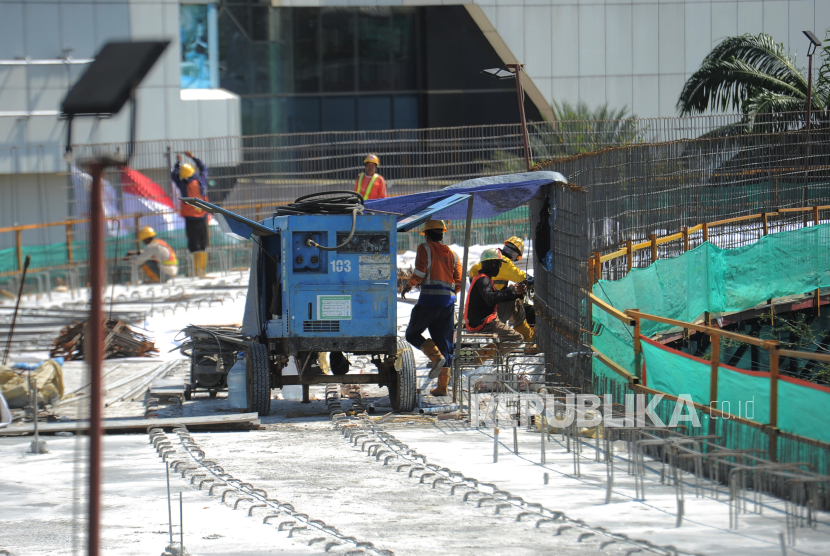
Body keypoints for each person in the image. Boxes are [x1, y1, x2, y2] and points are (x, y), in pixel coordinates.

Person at [401, 219, 462, 396]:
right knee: (445, 343)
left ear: (426, 235)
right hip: (447, 304)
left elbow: (420, 271)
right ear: (442, 234)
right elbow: (458, 280)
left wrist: (409, 285)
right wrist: (449, 295)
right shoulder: (453, 254)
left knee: (412, 333)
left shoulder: (424, 248)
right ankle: (442, 388)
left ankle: (436, 358)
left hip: (429, 301)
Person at [468, 236, 535, 342]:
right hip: (491, 310)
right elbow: (521, 277)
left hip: (480, 307)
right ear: (516, 255)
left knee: (515, 298)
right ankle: (527, 339)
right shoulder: (504, 263)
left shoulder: (482, 265)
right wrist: (531, 281)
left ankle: (520, 335)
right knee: (521, 305)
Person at [464, 248, 527, 361]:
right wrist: (510, 290)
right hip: (484, 322)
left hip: (484, 319)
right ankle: (484, 356)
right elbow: (491, 299)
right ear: (491, 264)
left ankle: (494, 357)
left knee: (510, 336)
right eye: (497, 264)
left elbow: (496, 295)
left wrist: (514, 292)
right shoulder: (483, 280)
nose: (498, 267)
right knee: (517, 338)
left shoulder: (484, 278)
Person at [171, 150, 209, 278]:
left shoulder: (183, 186)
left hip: (190, 219)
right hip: (202, 217)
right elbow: (204, 169)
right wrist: (193, 157)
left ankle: (195, 270)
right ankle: (202, 271)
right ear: (192, 173)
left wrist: (178, 162)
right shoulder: (200, 183)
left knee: (194, 245)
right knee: (203, 245)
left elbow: (174, 176)